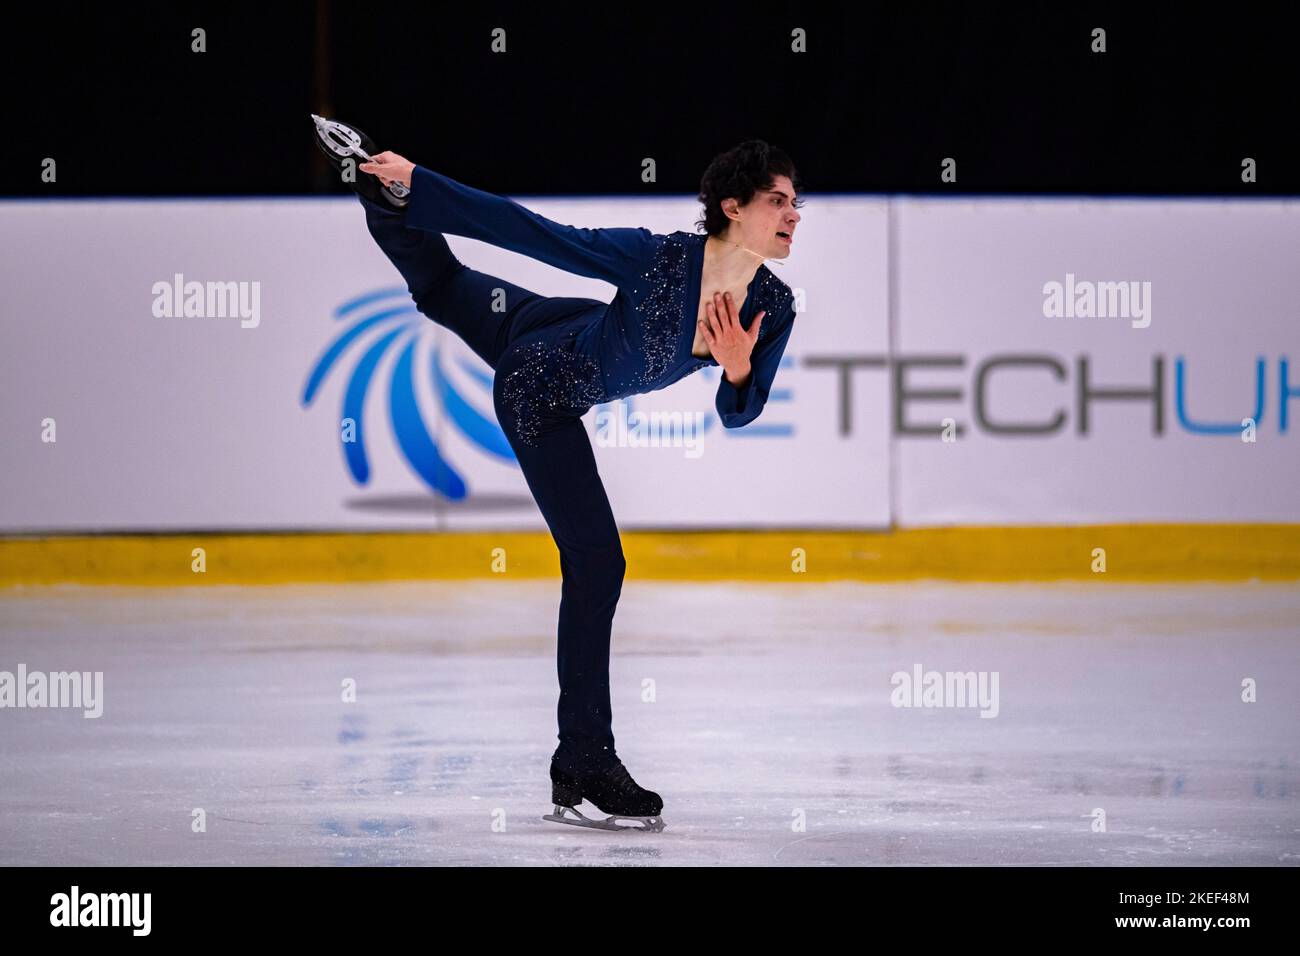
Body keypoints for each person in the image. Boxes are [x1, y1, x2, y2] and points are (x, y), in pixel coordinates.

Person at [321, 121, 802, 831]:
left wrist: (734, 367)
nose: (794, 215)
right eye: (778, 201)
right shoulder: (657, 261)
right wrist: (419, 183)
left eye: (797, 205)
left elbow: (742, 408)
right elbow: (536, 233)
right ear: (733, 207)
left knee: (448, 289)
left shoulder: (774, 306)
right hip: (539, 392)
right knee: (599, 565)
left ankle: (383, 206)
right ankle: (584, 757)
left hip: (554, 331)